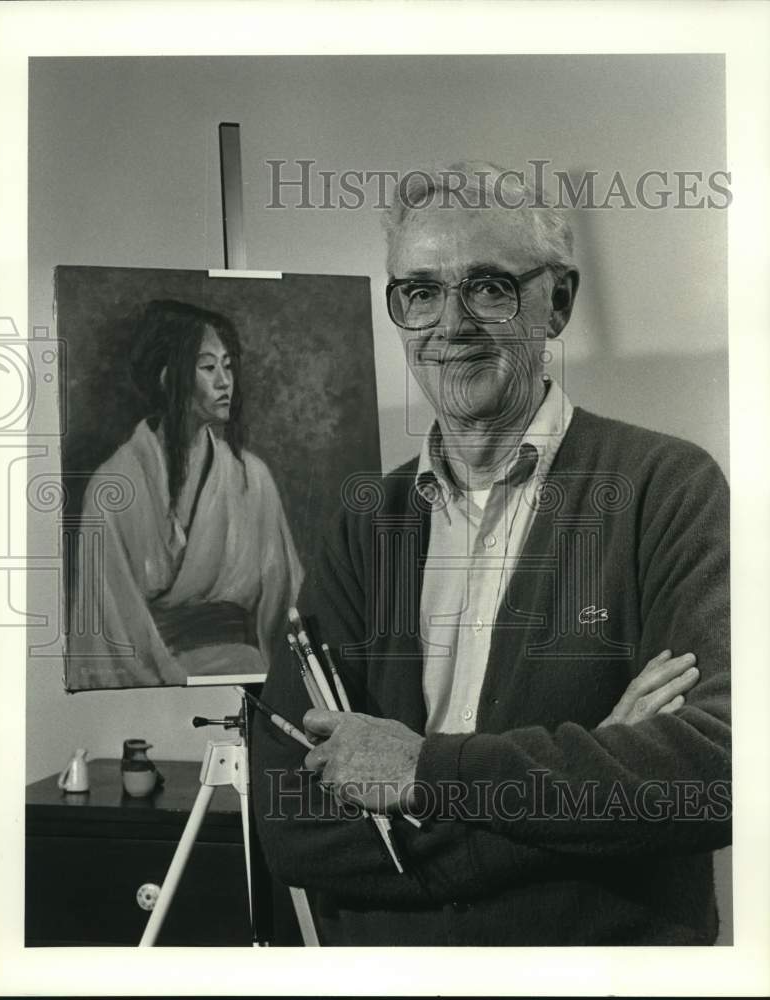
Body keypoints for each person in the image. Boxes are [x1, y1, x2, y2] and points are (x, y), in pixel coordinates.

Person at [252, 163, 731, 945]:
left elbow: (709, 777)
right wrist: (589, 780)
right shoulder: (366, 523)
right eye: (419, 291)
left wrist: (421, 776)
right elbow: (290, 826)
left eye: (488, 287)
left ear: (558, 303)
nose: (449, 325)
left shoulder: (665, 488)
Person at [66, 299, 303, 689]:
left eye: (228, 366)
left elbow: (287, 602)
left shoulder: (252, 478)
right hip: (150, 688)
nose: (225, 381)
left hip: (250, 680)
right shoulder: (113, 485)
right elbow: (106, 623)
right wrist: (170, 683)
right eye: (209, 367)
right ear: (166, 377)